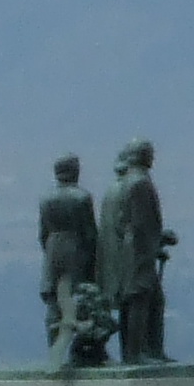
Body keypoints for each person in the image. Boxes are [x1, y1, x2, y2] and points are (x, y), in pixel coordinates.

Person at [101, 138, 176, 364]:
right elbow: (141, 224)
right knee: (142, 300)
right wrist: (160, 241)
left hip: (128, 252)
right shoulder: (140, 183)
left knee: (142, 301)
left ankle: (142, 351)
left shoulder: (120, 185)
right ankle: (139, 353)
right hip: (138, 253)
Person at [39, 154, 101, 367]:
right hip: (76, 251)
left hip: (53, 251)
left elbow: (43, 233)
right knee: (80, 299)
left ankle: (54, 351)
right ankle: (81, 352)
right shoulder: (82, 197)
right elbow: (90, 233)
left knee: (54, 304)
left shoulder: (46, 199)